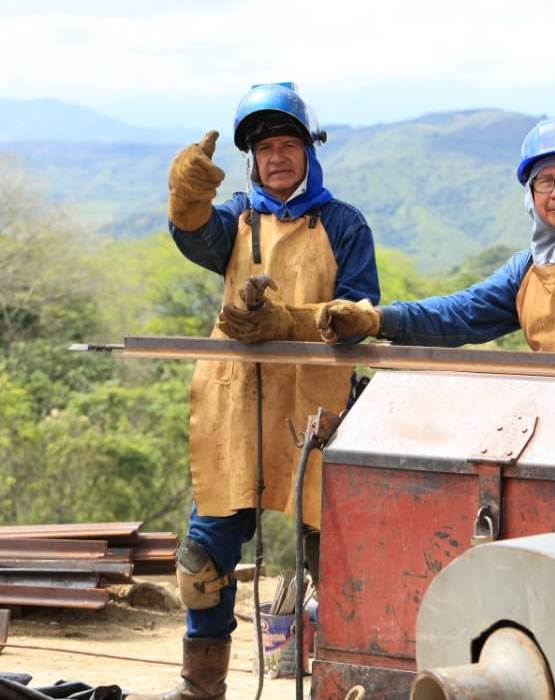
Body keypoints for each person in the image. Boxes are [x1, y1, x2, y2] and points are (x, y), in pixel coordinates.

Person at [130, 83, 379, 700]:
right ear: (252, 159)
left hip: (315, 405)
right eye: (266, 148)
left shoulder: (344, 225)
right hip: (237, 404)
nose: (277, 158)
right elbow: (196, 237)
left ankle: (351, 681)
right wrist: (186, 199)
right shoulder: (236, 219)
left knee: (338, 559)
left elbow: (361, 308)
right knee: (203, 561)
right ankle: (201, 686)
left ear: (309, 151)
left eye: (287, 145)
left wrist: (297, 319)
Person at [316, 118, 555, 356]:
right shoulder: (527, 269)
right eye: (545, 181)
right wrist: (378, 319)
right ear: (531, 195)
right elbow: (459, 313)